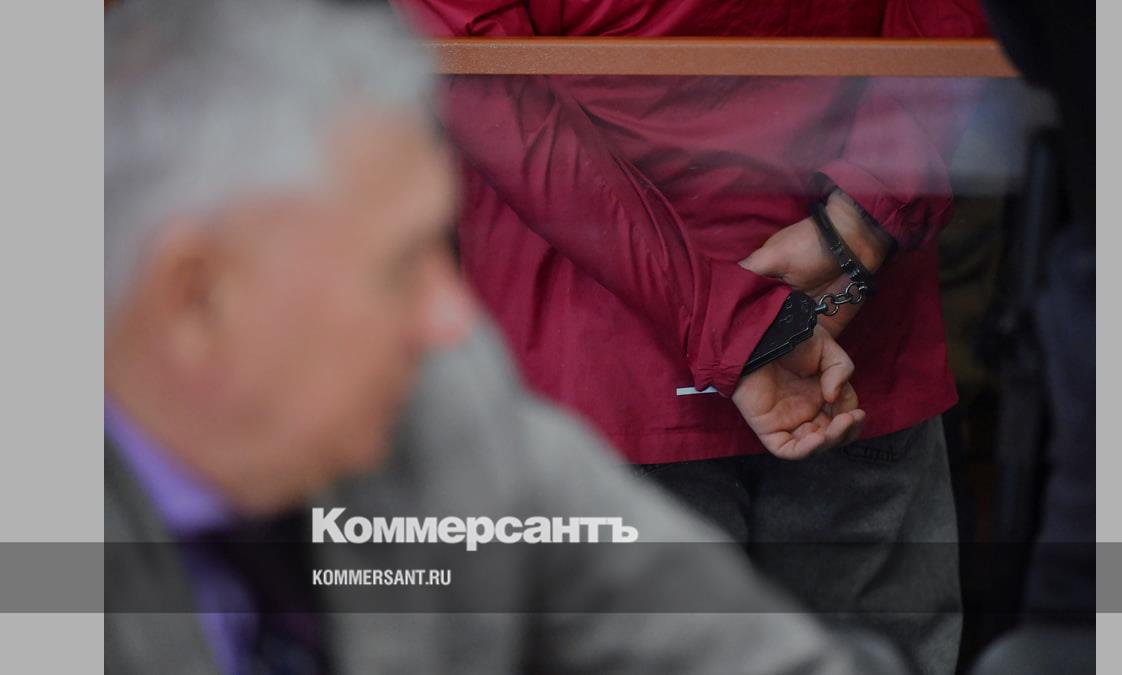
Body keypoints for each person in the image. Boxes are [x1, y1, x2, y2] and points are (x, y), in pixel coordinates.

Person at [104, 0, 905, 672]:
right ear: (197, 299)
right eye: (398, 267)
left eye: (441, 246)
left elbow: (757, 652)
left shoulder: (450, 419)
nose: (456, 319)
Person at [396, 1, 988, 671]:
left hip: (606, 363)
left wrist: (741, 320)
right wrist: (858, 226)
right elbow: (953, 17)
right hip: (846, 337)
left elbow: (484, 78)